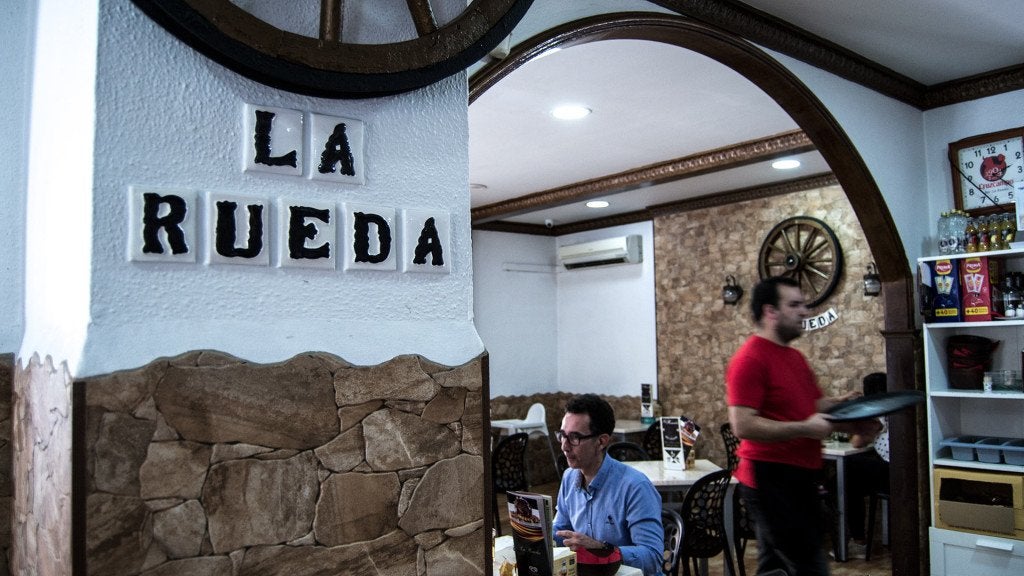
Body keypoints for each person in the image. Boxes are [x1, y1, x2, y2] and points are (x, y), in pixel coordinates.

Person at [726, 277, 879, 576]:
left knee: (776, 568)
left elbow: (812, 406)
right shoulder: (749, 359)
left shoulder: (794, 356)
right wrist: (804, 428)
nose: (805, 311)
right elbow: (742, 425)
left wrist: (850, 416)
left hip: (799, 476)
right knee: (809, 564)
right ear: (771, 312)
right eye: (794, 305)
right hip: (770, 478)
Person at [552, 393, 664, 575]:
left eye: (574, 438)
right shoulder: (569, 477)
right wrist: (535, 534)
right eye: (562, 436)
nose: (564, 446)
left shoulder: (635, 486)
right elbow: (560, 530)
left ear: (601, 441)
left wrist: (603, 549)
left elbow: (653, 558)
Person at [843, 372, 890, 559]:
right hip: (900, 471)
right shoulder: (894, 407)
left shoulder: (876, 414)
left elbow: (857, 442)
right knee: (852, 475)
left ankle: (858, 538)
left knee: (847, 474)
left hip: (891, 476)